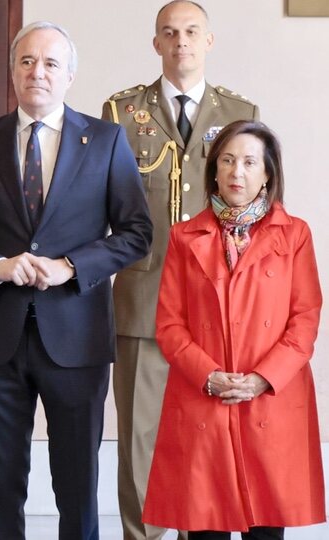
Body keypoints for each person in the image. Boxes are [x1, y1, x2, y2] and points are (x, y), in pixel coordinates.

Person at [0, 22, 152, 540]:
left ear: (70, 75)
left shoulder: (105, 140)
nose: (38, 72)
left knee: (76, 483)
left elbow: (137, 233)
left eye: (51, 63)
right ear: (12, 72)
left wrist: (71, 267)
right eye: (27, 61)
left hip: (77, 337)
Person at [101, 3, 260, 538]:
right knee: (142, 441)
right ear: (156, 44)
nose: (181, 42)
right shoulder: (122, 113)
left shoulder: (240, 111)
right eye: (169, 33)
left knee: (207, 440)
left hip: (218, 307)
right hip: (143, 301)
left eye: (192, 32)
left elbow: (256, 210)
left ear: (209, 40)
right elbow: (103, 205)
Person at [142, 120, 324, 539]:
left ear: (267, 174)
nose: (236, 172)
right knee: (205, 525)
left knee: (265, 526)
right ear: (214, 170)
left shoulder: (294, 235)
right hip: (204, 396)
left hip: (270, 400)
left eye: (248, 162)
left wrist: (263, 378)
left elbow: (304, 319)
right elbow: (170, 324)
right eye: (226, 160)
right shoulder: (184, 237)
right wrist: (207, 375)